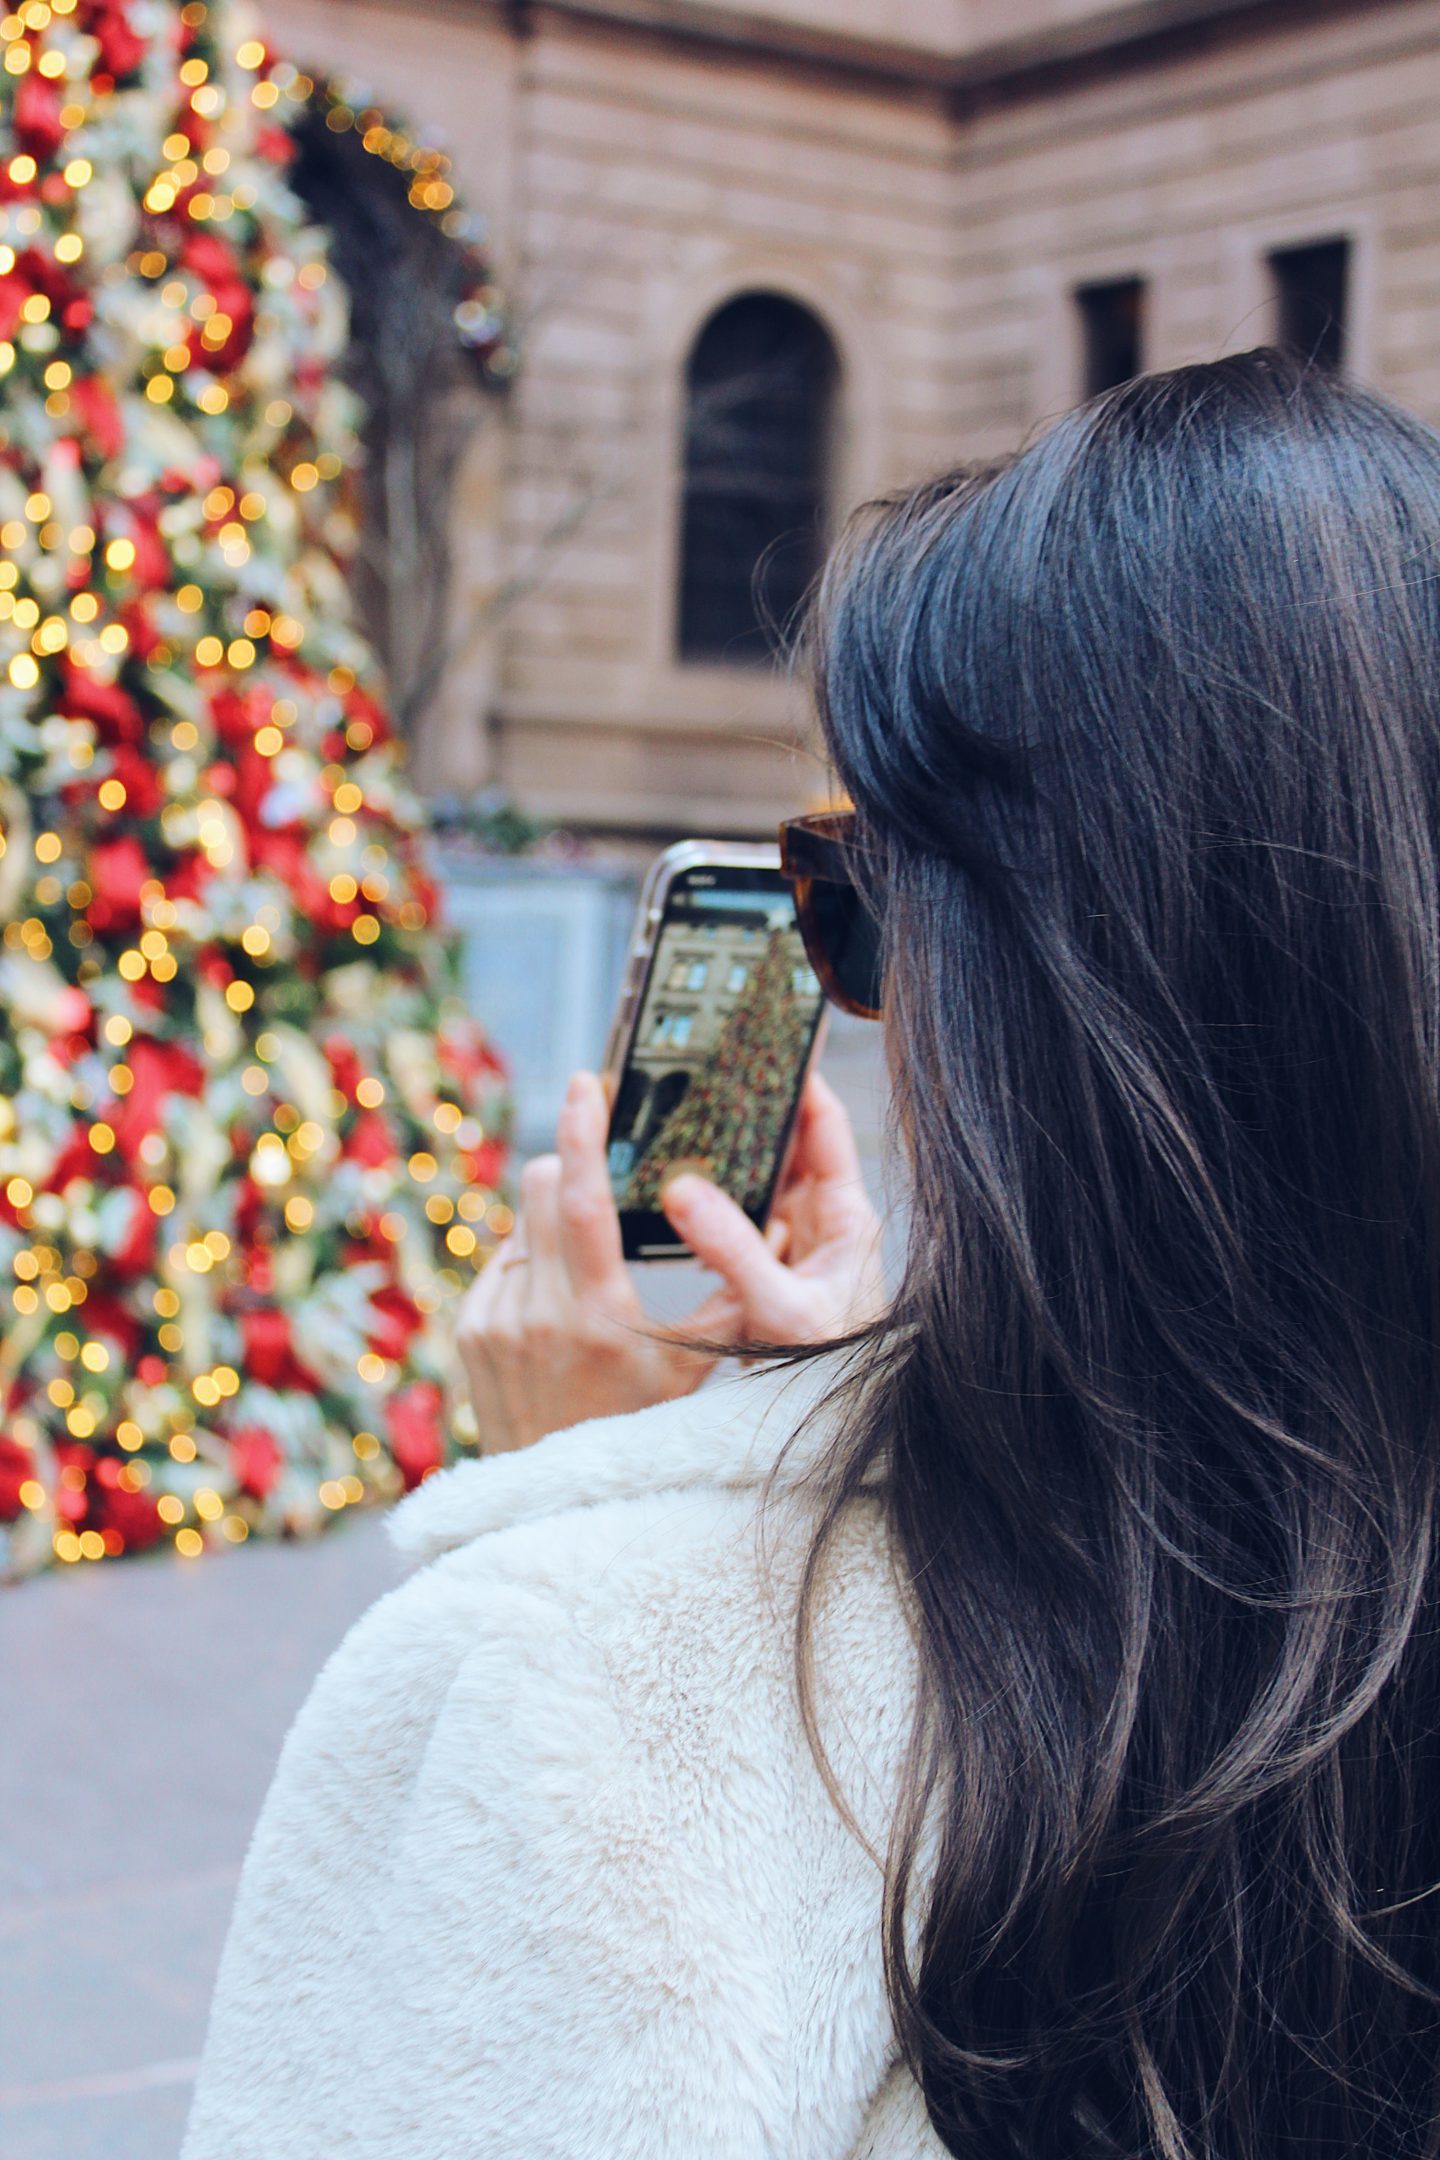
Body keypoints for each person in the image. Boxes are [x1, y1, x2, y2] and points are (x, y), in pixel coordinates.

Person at [183, 349, 1440, 2159]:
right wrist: (831, 1431)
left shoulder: (579, 1679)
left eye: (859, 910)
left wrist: (624, 1513)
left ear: (1035, 1006)